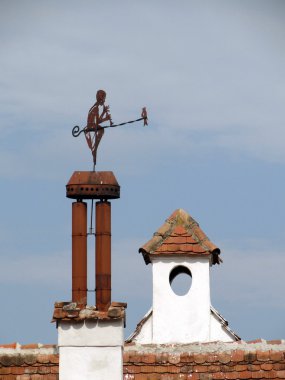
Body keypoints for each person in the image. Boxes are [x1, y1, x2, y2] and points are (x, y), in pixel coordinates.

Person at [85, 90, 112, 166]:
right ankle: (94, 148)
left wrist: (103, 112)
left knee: (101, 129)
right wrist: (106, 118)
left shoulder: (96, 106)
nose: (105, 100)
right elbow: (97, 122)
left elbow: (97, 121)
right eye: (104, 98)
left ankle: (94, 149)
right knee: (101, 130)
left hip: (92, 125)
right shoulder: (96, 107)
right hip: (90, 126)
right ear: (101, 98)